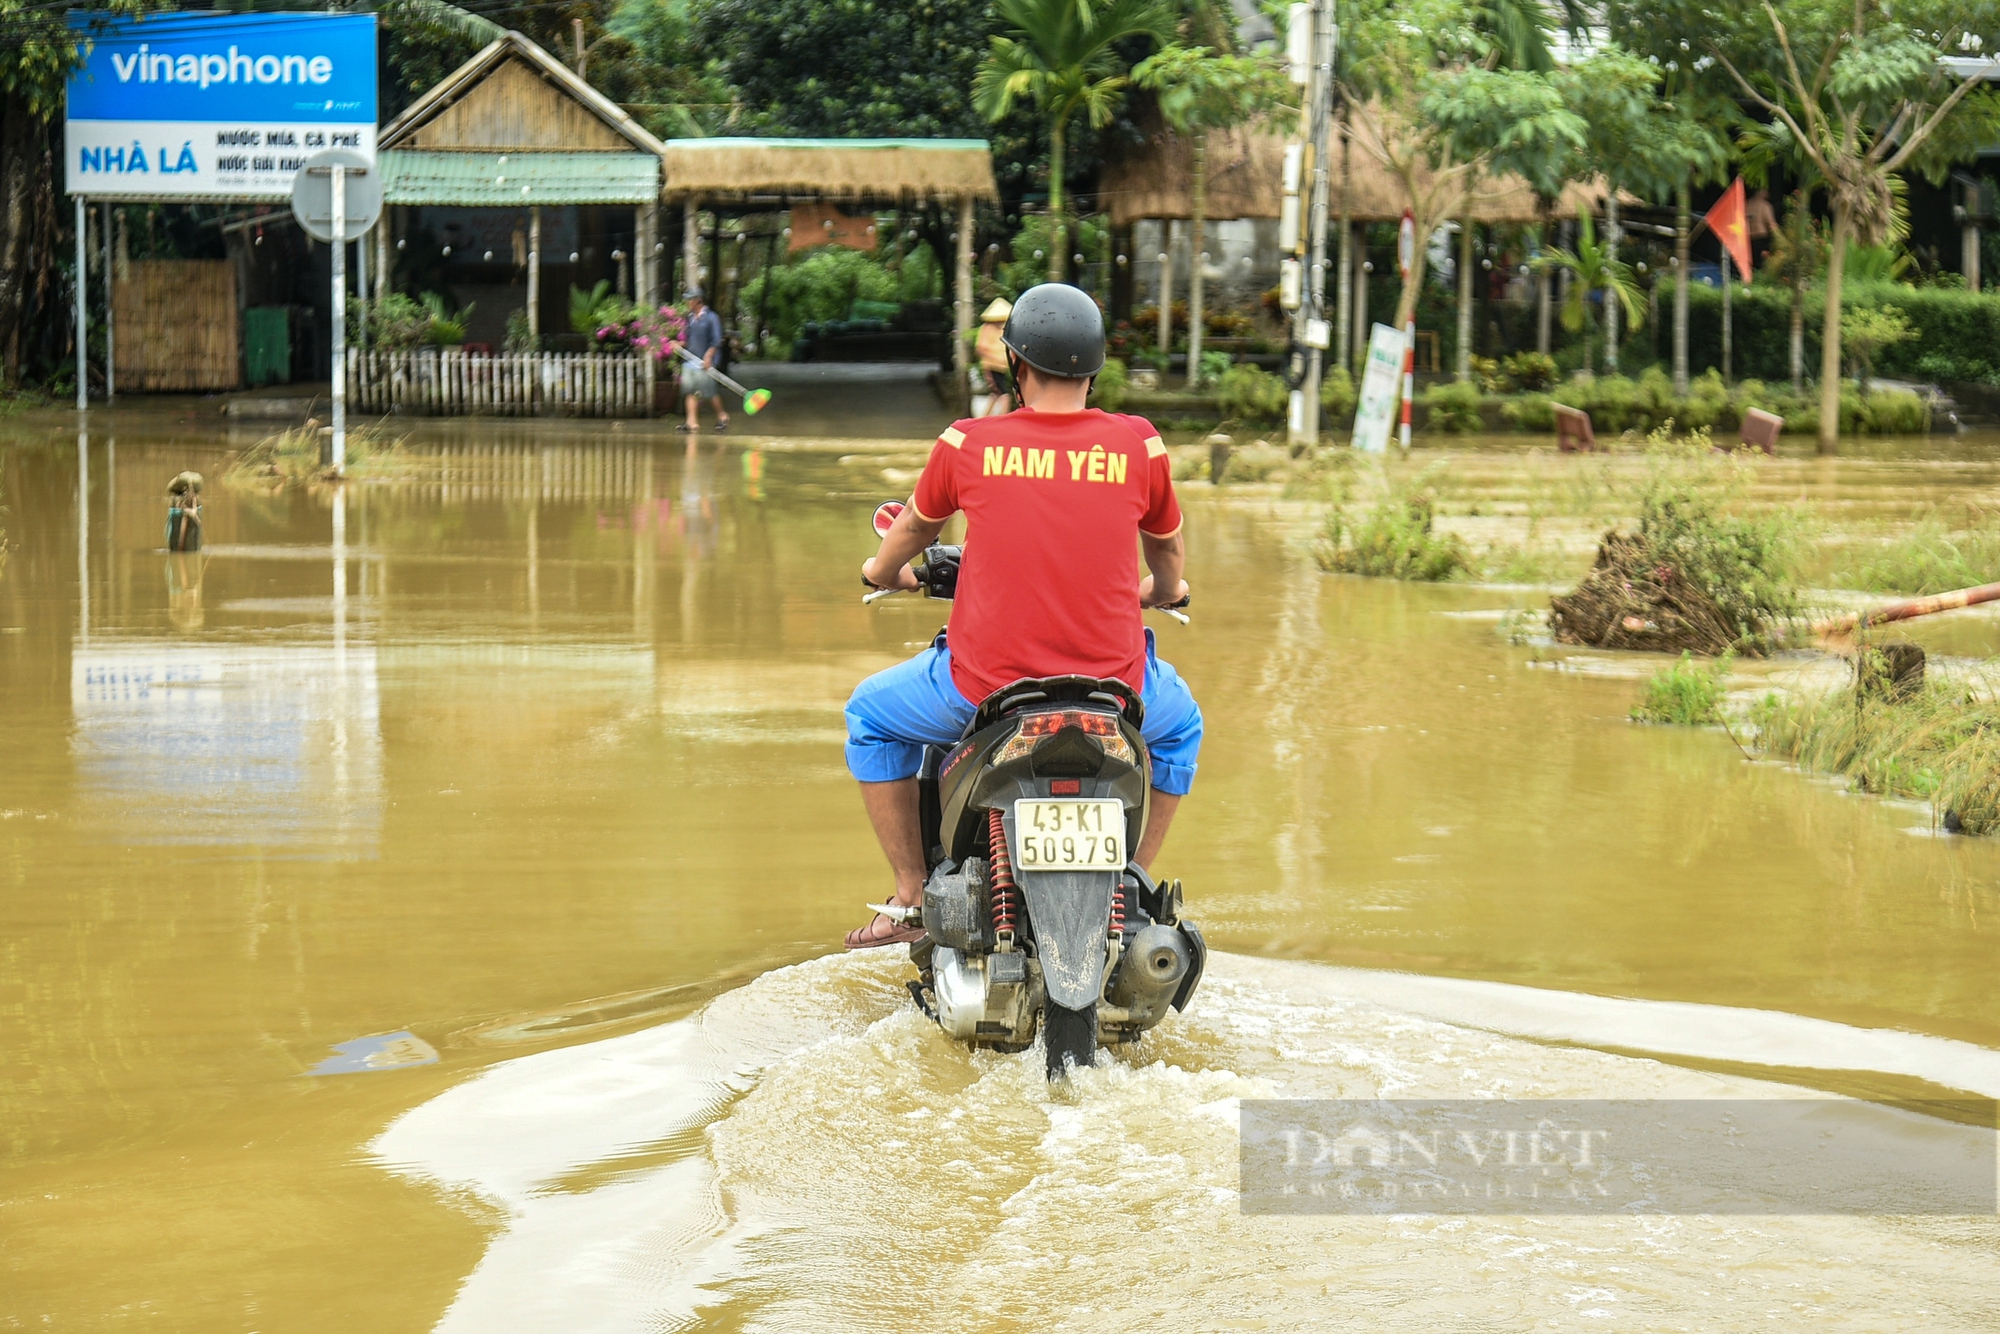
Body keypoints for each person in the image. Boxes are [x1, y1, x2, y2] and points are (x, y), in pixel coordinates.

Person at [843, 283, 1201, 949]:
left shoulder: (966, 442)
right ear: (1093, 369)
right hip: (1117, 695)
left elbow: (917, 529)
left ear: (1018, 364)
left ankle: (911, 894)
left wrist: (881, 573)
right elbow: (1167, 546)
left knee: (868, 717)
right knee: (1183, 729)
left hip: (982, 691)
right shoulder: (1140, 445)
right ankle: (1134, 882)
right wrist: (1166, 590)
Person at [678, 287, 728, 433]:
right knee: (689, 390)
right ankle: (691, 422)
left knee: (709, 392)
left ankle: (722, 416)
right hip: (690, 360)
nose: (688, 302)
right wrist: (678, 344)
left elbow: (717, 340)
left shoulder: (711, 318)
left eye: (690, 300)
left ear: (697, 300)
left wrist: (709, 356)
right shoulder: (690, 319)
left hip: (705, 361)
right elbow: (689, 340)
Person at [974, 298, 1013, 416]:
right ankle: (1004, 419)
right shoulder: (987, 329)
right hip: (992, 366)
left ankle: (983, 419)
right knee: (1005, 395)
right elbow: (980, 349)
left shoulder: (1004, 331)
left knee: (996, 394)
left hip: (1001, 367)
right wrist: (997, 358)